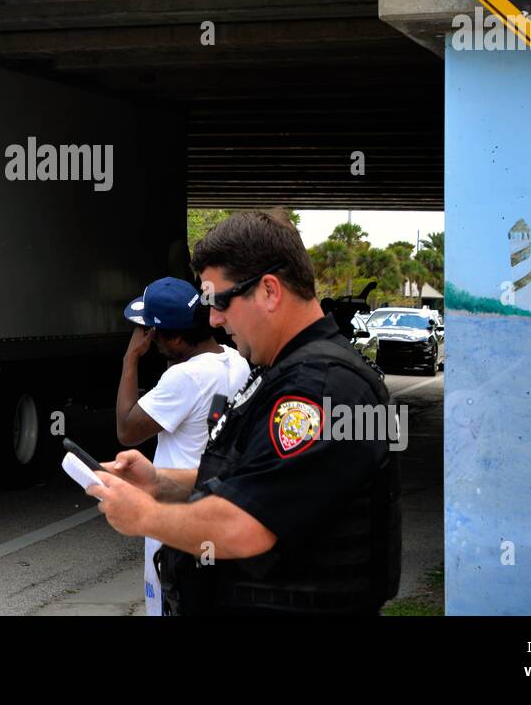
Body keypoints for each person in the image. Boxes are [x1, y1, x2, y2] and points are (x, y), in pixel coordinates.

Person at [89, 210, 401, 616]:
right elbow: (255, 477)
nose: (215, 319)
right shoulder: (287, 372)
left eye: (220, 301)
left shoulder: (319, 388)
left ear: (269, 291)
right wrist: (159, 481)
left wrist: (145, 515)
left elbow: (245, 525)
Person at [117, 276, 249, 616]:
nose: (147, 339)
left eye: (151, 333)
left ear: (175, 337)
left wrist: (130, 359)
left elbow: (126, 430)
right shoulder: (235, 360)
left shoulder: (183, 379)